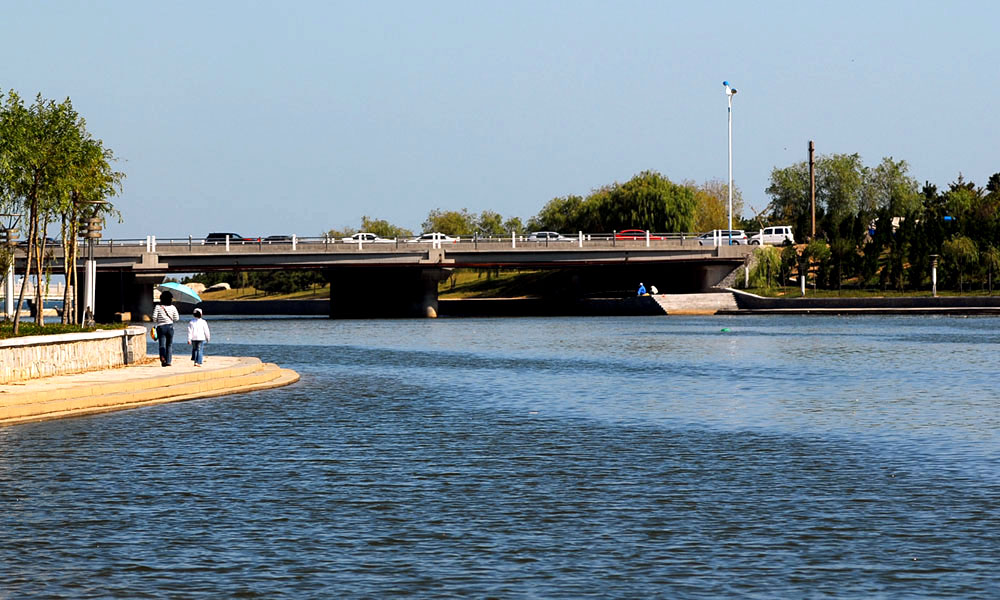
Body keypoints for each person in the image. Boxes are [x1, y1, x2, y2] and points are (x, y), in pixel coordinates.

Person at [152, 291, 180, 367]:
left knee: (162, 345)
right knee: (169, 345)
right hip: (170, 327)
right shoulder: (173, 307)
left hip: (161, 327)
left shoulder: (158, 307)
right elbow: (177, 318)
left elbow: (154, 318)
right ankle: (168, 361)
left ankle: (162, 358)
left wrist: (159, 320)